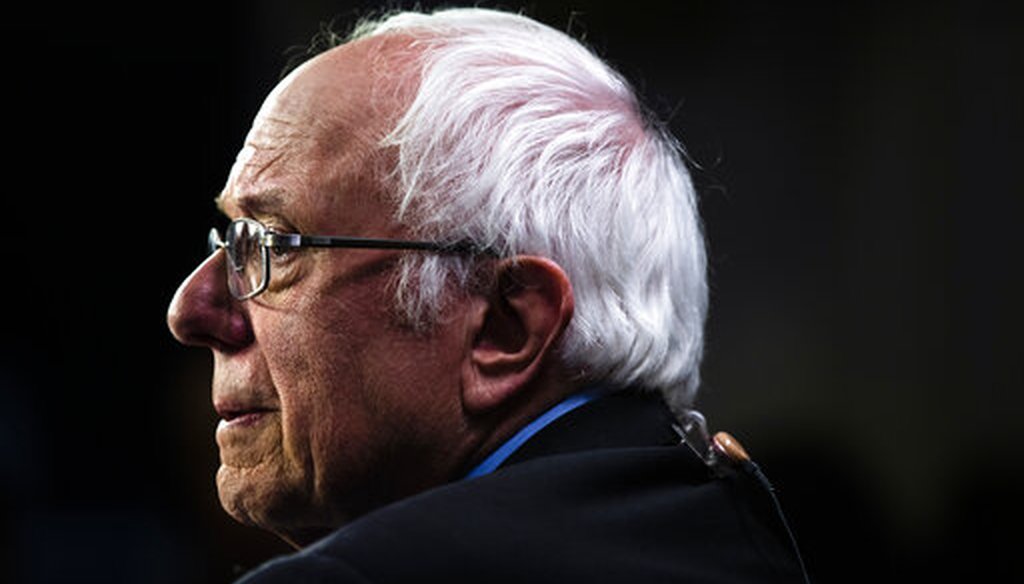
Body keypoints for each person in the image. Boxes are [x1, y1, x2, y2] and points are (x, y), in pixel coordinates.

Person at [167, 7, 808, 583]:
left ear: (505, 327)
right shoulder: (735, 538)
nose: (191, 310)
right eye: (227, 239)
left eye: (272, 245)